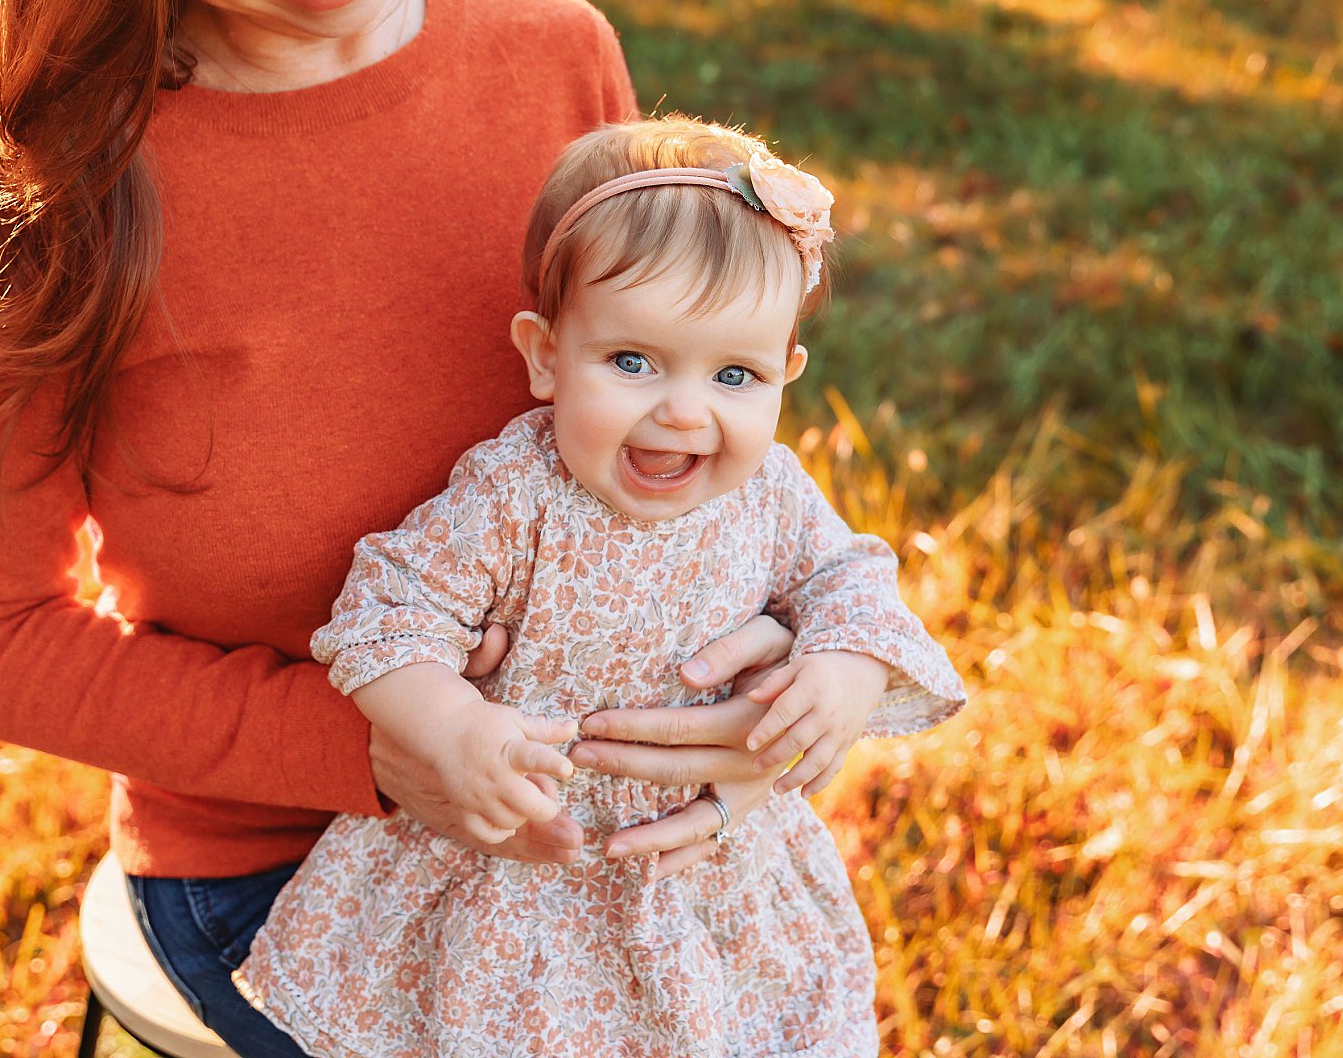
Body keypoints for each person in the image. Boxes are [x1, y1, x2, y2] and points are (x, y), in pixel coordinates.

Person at [0, 0, 807, 1058]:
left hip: (600, 811)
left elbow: (680, 393)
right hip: (277, 861)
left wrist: (776, 657)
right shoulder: (43, 190)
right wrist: (366, 747)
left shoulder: (556, 54)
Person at [234, 118, 966, 1058]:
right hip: (513, 880)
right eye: (631, 362)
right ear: (544, 355)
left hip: (703, 882)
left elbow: (853, 578)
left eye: (735, 374)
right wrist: (450, 726)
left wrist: (848, 664)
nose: (684, 409)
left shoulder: (774, 494)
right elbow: (385, 610)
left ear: (786, 375)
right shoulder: (515, 493)